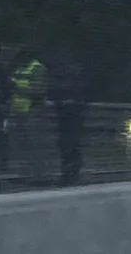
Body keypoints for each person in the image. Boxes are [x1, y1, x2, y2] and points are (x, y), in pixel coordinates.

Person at [47, 48, 88, 185]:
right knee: (65, 144)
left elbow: (80, 91)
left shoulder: (74, 73)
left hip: (73, 113)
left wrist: (71, 101)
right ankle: (68, 171)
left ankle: (72, 171)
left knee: (71, 143)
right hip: (63, 114)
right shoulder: (58, 74)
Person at [10, 50, 49, 183]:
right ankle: (26, 174)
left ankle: (38, 175)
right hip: (18, 111)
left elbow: (39, 90)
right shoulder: (20, 68)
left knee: (35, 144)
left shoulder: (38, 68)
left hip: (33, 111)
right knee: (22, 144)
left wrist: (17, 89)